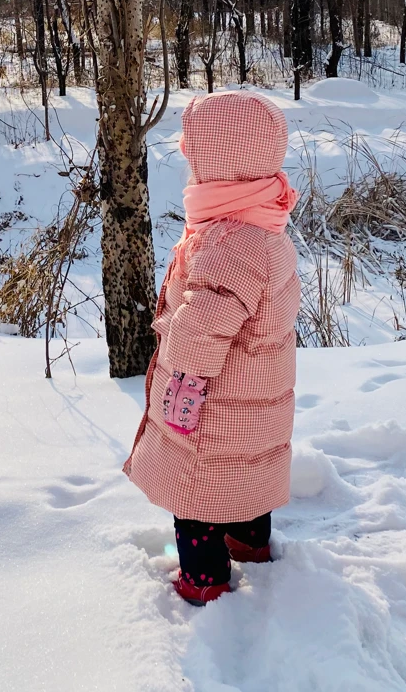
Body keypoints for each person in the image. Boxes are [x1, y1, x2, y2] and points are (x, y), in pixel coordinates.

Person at [124, 90, 300, 605]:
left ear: (218, 165)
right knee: (246, 469)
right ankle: (249, 542)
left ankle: (204, 580)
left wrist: (177, 372)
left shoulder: (228, 243)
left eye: (194, 158)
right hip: (255, 395)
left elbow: (202, 330)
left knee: (196, 489)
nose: (189, 168)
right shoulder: (264, 222)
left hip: (211, 404)